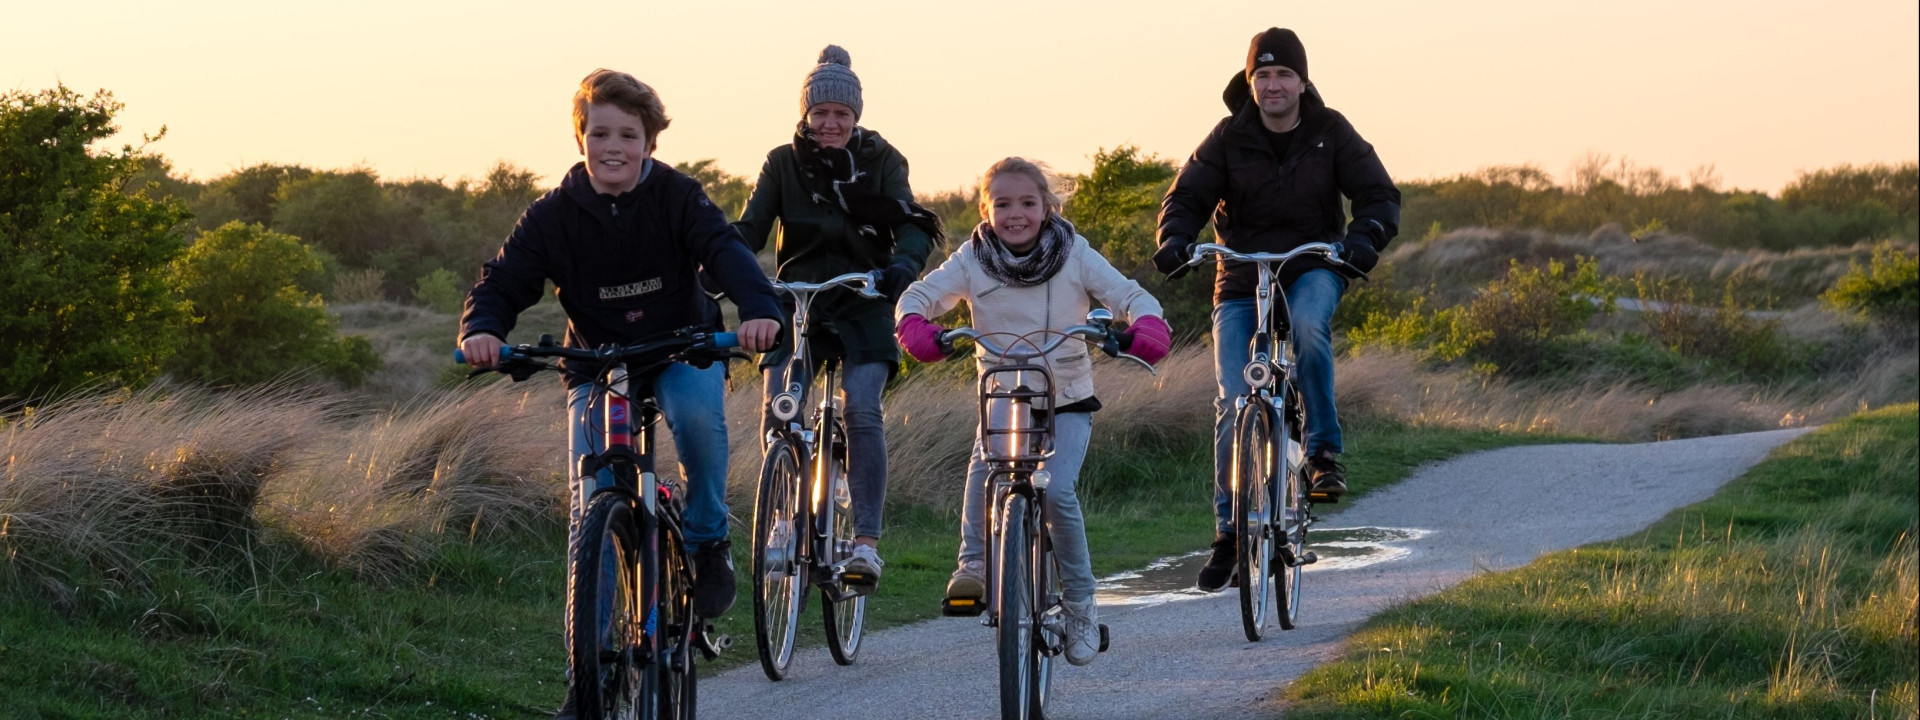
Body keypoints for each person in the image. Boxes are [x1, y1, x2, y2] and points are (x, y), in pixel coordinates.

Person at [458, 69, 782, 718]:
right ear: (580, 138)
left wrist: (758, 307)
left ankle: (707, 537)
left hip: (681, 346)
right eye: (599, 132)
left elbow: (725, 252)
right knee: (591, 503)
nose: (613, 146)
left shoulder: (678, 198)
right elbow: (508, 277)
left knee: (696, 420)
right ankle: (587, 681)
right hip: (596, 361)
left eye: (627, 135)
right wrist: (483, 329)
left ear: (650, 142)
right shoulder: (552, 215)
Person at [1151, 28, 1401, 592]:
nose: (1272, 85)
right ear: (1249, 82)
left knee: (1310, 326)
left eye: (1283, 74)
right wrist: (1174, 238)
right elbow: (1186, 195)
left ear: (1302, 81)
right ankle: (1228, 534)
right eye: (1262, 75)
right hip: (1240, 275)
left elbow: (1379, 195)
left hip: (1312, 263)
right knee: (1233, 398)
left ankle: (1322, 453)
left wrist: (1364, 239)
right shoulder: (1227, 137)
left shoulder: (1330, 131)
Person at [895, 158, 1172, 666]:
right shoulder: (972, 257)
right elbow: (921, 295)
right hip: (1001, 396)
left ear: (1047, 207)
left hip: (1065, 396)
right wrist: (914, 323)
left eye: (1027, 202)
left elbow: (1128, 294)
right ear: (985, 209)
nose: (1015, 213)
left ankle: (1081, 607)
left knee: (1058, 489)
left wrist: (1146, 323)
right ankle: (974, 564)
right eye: (1002, 204)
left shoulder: (1074, 253)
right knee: (986, 470)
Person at [733, 45, 944, 588]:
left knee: (863, 409)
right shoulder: (782, 162)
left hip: (863, 296)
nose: (830, 123)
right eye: (821, 113)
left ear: (856, 117)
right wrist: (717, 263)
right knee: (780, 408)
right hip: (798, 297)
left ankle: (866, 544)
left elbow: (913, 222)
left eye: (841, 115)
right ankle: (783, 523)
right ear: (805, 115)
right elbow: (751, 229)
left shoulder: (881, 159)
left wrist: (900, 267)